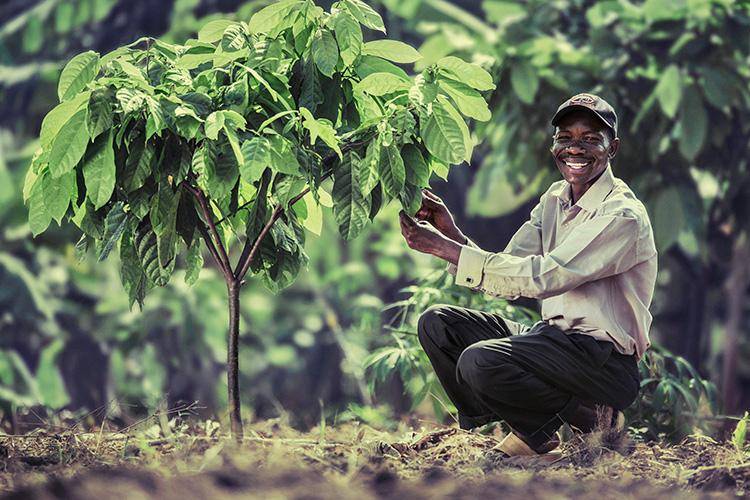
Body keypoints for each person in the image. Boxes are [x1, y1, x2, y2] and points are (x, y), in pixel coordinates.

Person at [398, 93, 658, 459]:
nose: (575, 149)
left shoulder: (621, 215)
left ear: (612, 147)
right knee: (438, 325)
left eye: (589, 139)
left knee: (479, 359)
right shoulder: (555, 197)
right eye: (565, 138)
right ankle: (536, 431)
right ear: (553, 145)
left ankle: (594, 420)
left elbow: (543, 277)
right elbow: (511, 269)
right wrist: (452, 236)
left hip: (601, 363)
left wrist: (444, 249)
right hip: (553, 342)